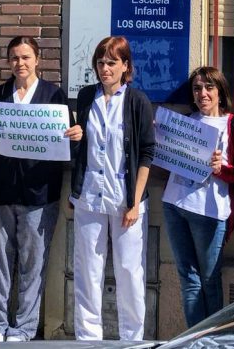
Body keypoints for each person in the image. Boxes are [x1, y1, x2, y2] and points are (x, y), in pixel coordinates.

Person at [0, 36, 83, 342]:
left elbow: (65, 146)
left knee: (32, 264)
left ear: (37, 59)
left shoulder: (53, 95)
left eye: (25, 57)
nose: (20, 63)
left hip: (40, 192)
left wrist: (74, 136)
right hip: (2, 190)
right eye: (14, 58)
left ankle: (23, 328)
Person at [70, 35, 155, 341]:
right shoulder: (86, 97)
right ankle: (88, 340)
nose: (105, 68)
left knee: (129, 272)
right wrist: (76, 137)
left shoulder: (137, 101)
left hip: (125, 200)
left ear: (125, 66)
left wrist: (135, 202)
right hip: (89, 196)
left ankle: (131, 340)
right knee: (87, 271)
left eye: (111, 62)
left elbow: (147, 152)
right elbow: (81, 147)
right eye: (100, 62)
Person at [162, 66, 234, 328]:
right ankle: (194, 339)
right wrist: (162, 139)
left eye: (209, 87)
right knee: (188, 278)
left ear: (221, 92)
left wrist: (222, 169)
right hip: (174, 205)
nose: (203, 94)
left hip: (209, 213)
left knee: (210, 281)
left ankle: (212, 337)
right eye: (197, 88)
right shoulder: (186, 121)